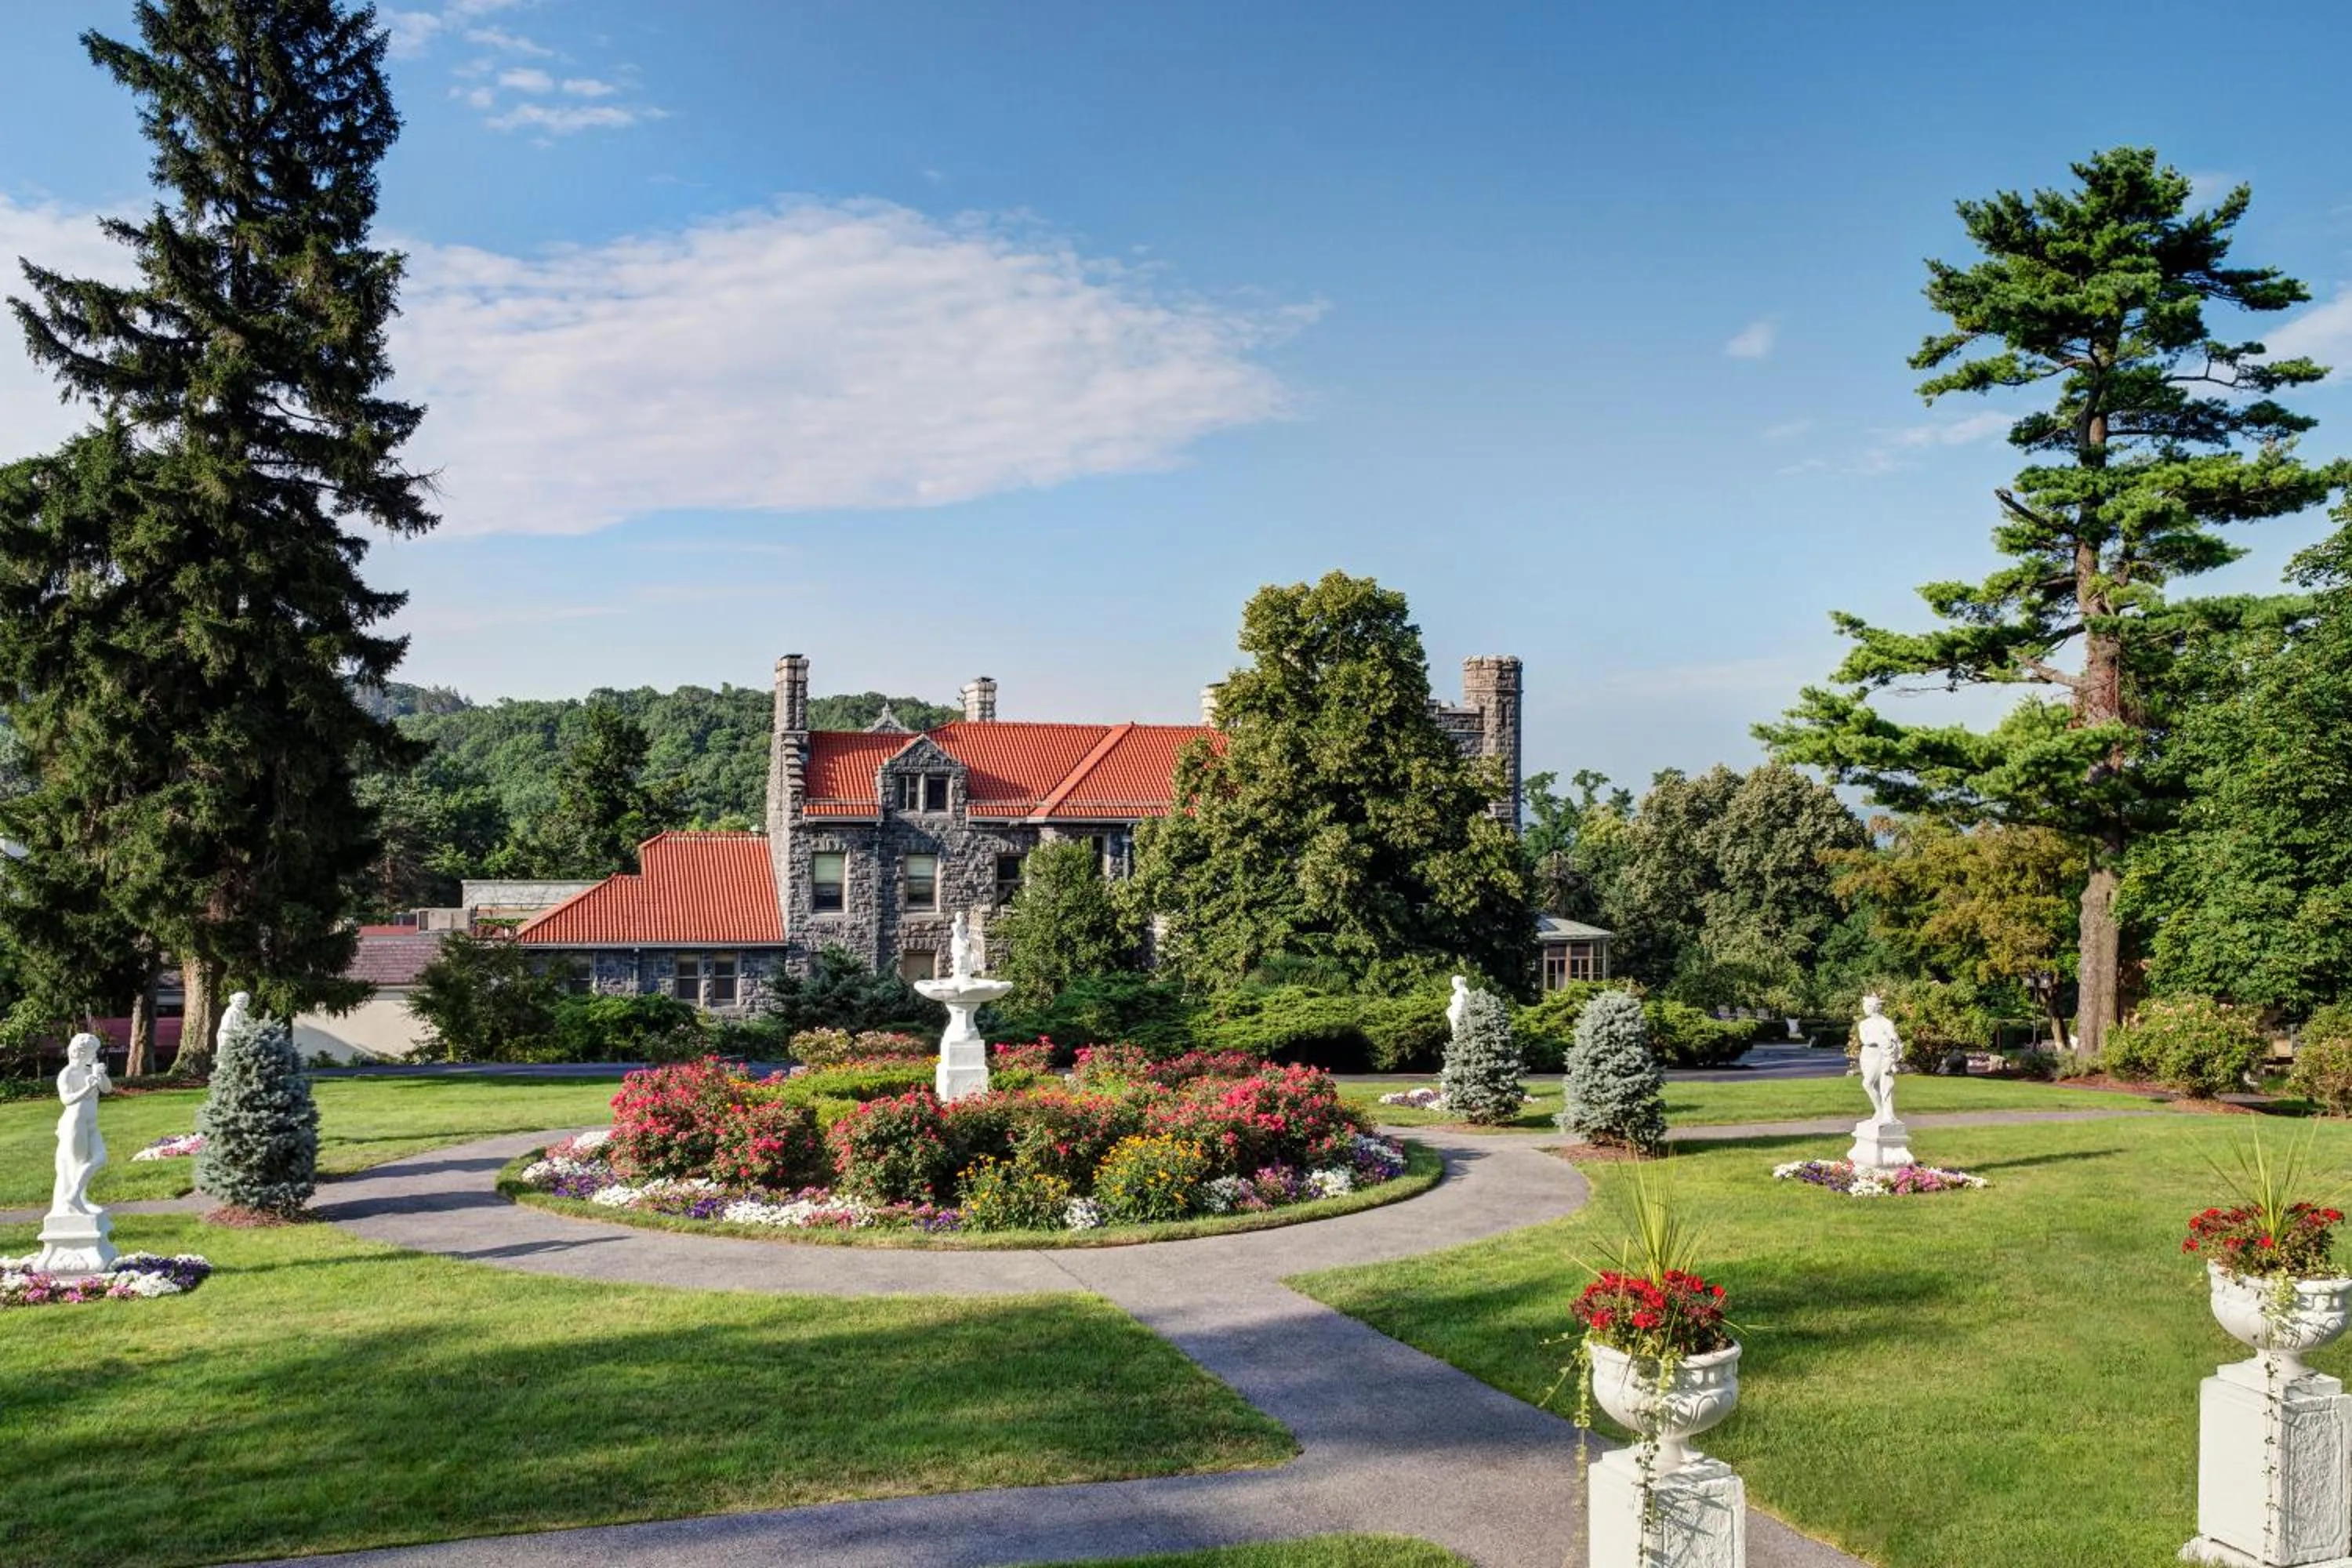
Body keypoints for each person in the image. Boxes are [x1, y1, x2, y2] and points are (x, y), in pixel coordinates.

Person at [50, 1033, 112, 1217]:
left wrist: (99, 1075)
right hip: (75, 1124)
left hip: (91, 1124)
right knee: (77, 1164)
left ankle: (76, 1196)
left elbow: (107, 1089)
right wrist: (87, 1088)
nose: (95, 1055)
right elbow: (66, 1100)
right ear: (81, 1052)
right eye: (93, 1051)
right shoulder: (67, 1074)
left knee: (100, 1157)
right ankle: (76, 1200)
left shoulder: (88, 1071)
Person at [1856, 994, 1901, 1126]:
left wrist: (1890, 1042)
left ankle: (1882, 1111)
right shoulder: (1864, 1024)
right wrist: (1879, 1039)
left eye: (1866, 1007)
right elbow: (1865, 1039)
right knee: (1873, 1085)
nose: (1864, 1010)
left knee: (1868, 1083)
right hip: (1867, 1055)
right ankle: (1880, 1112)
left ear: (1873, 1008)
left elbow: (1894, 1039)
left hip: (1880, 1055)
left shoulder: (1886, 1023)